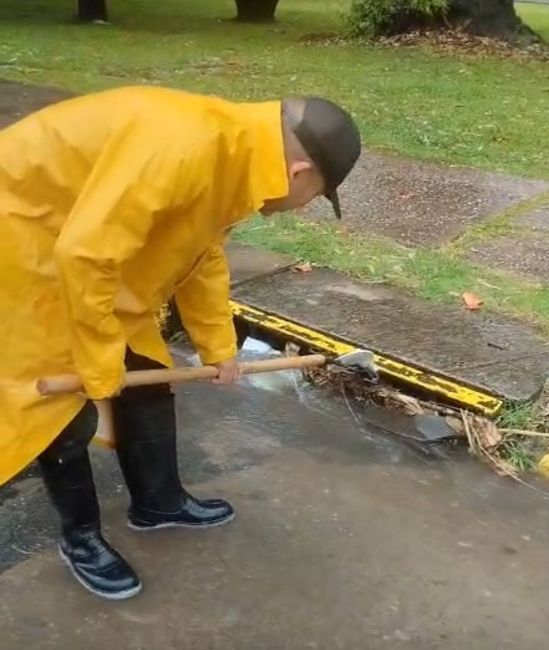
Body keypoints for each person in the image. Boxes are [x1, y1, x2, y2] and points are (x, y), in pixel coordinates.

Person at [0, 85, 362, 600]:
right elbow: (85, 256)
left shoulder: (235, 155)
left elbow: (201, 253)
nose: (306, 207)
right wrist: (99, 363)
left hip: (76, 241)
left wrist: (219, 348)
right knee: (60, 404)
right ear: (299, 172)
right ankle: (80, 538)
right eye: (317, 196)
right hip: (22, 239)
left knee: (146, 369)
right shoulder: (187, 146)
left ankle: (158, 501)